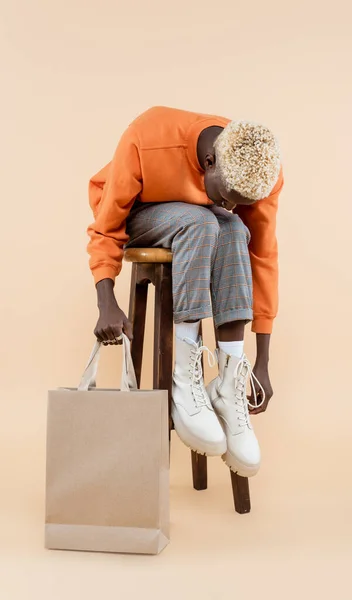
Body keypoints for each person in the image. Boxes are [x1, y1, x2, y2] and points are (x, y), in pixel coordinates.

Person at [87, 106, 284, 478]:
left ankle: (228, 385)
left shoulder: (260, 168)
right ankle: (184, 379)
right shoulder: (148, 137)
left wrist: (263, 360)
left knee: (234, 230)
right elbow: (105, 229)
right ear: (209, 161)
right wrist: (106, 300)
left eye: (243, 201)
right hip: (140, 212)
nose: (234, 205)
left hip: (201, 223)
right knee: (203, 221)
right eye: (229, 195)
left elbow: (262, 255)